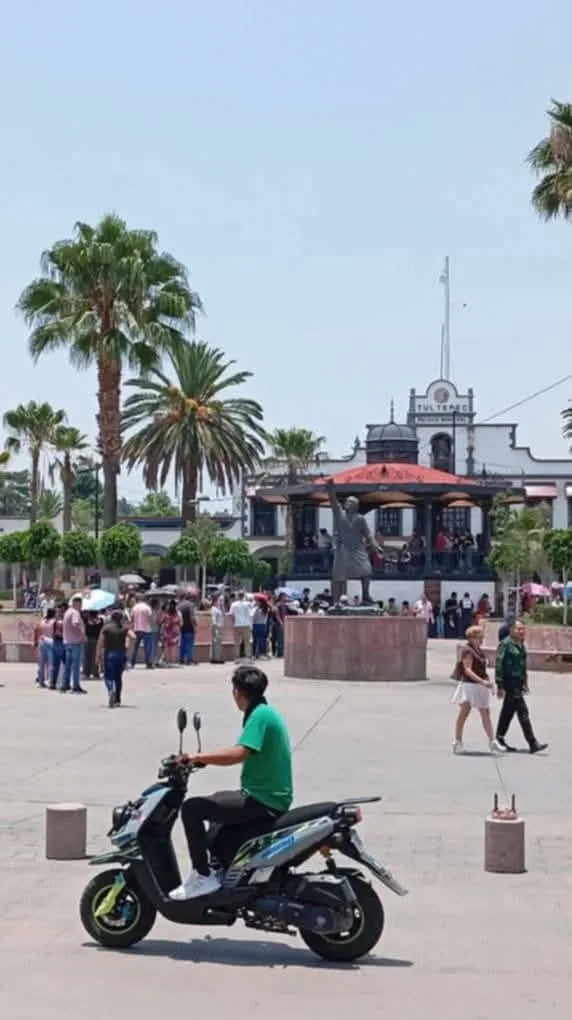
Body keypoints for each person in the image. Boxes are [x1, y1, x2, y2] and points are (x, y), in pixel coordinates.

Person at [170, 665, 293, 900]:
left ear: (237, 692)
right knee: (216, 807)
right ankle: (220, 870)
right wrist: (203, 760)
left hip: (263, 798)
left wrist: (197, 756)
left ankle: (202, 876)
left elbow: (239, 753)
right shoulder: (264, 712)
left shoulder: (259, 716)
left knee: (192, 808)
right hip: (267, 794)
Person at [451, 625, 506, 754]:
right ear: (472, 638)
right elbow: (468, 670)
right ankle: (457, 741)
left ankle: (492, 741)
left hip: (480, 685)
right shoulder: (468, 650)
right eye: (479, 637)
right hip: (469, 685)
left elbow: (482, 669)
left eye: (482, 637)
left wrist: (488, 683)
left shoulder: (479, 651)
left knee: (485, 712)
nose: (481, 640)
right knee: (465, 711)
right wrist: (482, 682)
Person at [495, 620, 548, 753]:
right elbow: (499, 664)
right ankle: (532, 742)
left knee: (508, 712)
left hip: (518, 682)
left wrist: (525, 683)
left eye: (523, 629)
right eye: (518, 629)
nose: (521, 631)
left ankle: (499, 737)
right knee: (523, 712)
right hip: (509, 682)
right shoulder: (506, 644)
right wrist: (500, 684)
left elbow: (523, 666)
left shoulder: (521, 644)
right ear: (511, 630)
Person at [96, 608, 134, 707]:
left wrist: (98, 655)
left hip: (109, 653)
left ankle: (110, 689)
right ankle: (117, 699)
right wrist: (128, 648)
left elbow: (100, 642)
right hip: (121, 654)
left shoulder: (106, 628)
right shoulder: (124, 628)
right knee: (118, 677)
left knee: (108, 676)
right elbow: (133, 636)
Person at [61, 593, 87, 694]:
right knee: (76, 665)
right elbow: (75, 624)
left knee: (68, 664)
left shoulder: (67, 612)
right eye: (81, 604)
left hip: (67, 641)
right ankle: (75, 686)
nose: (81, 607)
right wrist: (82, 635)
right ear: (77, 604)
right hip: (76, 642)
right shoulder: (75, 612)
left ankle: (65, 685)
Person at [130, 595, 153, 669]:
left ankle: (132, 662)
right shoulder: (147, 607)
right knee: (147, 647)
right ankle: (148, 662)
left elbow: (132, 619)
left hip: (137, 629)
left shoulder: (134, 608)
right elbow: (150, 618)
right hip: (146, 629)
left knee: (135, 647)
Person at [230, 591, 253, 661]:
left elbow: (231, 614)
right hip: (246, 624)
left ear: (238, 596)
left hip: (237, 624)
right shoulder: (248, 604)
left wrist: (233, 622)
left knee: (236, 642)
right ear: (243, 596)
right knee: (247, 642)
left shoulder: (233, 604)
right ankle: (247, 657)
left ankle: (237, 658)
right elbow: (251, 614)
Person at [83, 611, 103, 679]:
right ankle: (95, 673)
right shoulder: (101, 621)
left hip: (88, 640)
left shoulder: (86, 621)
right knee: (95, 657)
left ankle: (86, 673)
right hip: (97, 640)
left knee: (87, 657)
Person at [161, 599, 181, 666]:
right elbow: (180, 623)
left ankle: (167, 661)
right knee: (173, 647)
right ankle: (171, 661)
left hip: (167, 631)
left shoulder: (166, 613)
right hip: (174, 632)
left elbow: (161, 621)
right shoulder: (177, 613)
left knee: (167, 646)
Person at [179, 595, 196, 665]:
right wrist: (194, 626)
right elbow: (191, 617)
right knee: (189, 644)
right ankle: (189, 659)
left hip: (182, 627)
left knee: (183, 644)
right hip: (189, 627)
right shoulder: (190, 605)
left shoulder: (179, 605)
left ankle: (181, 659)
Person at [210, 595, 225, 664]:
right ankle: (216, 659)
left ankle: (216, 658)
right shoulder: (214, 609)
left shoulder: (219, 609)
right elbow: (214, 620)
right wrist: (215, 627)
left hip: (219, 627)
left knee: (218, 644)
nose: (221, 602)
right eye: (220, 600)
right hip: (217, 627)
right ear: (216, 601)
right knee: (216, 644)